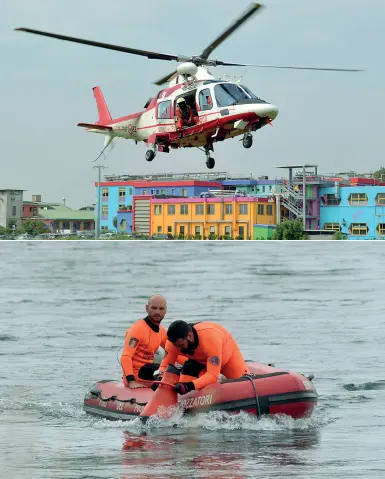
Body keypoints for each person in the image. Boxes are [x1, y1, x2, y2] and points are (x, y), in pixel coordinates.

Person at [156, 321, 250, 395]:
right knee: (183, 388)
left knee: (246, 387)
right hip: (198, 363)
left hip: (227, 359)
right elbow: (165, 366)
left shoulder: (210, 339)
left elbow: (212, 375)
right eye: (177, 346)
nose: (180, 349)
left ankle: (224, 381)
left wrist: (190, 386)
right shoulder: (173, 344)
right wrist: (160, 379)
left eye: (181, 345)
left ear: (189, 336)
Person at [120, 294, 168, 389]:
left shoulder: (162, 331)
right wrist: (131, 380)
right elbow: (125, 357)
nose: (157, 312)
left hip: (149, 369)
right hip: (136, 375)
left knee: (176, 369)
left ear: (165, 310)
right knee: (168, 371)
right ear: (147, 308)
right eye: (154, 308)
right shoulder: (137, 329)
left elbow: (173, 352)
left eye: (161, 309)